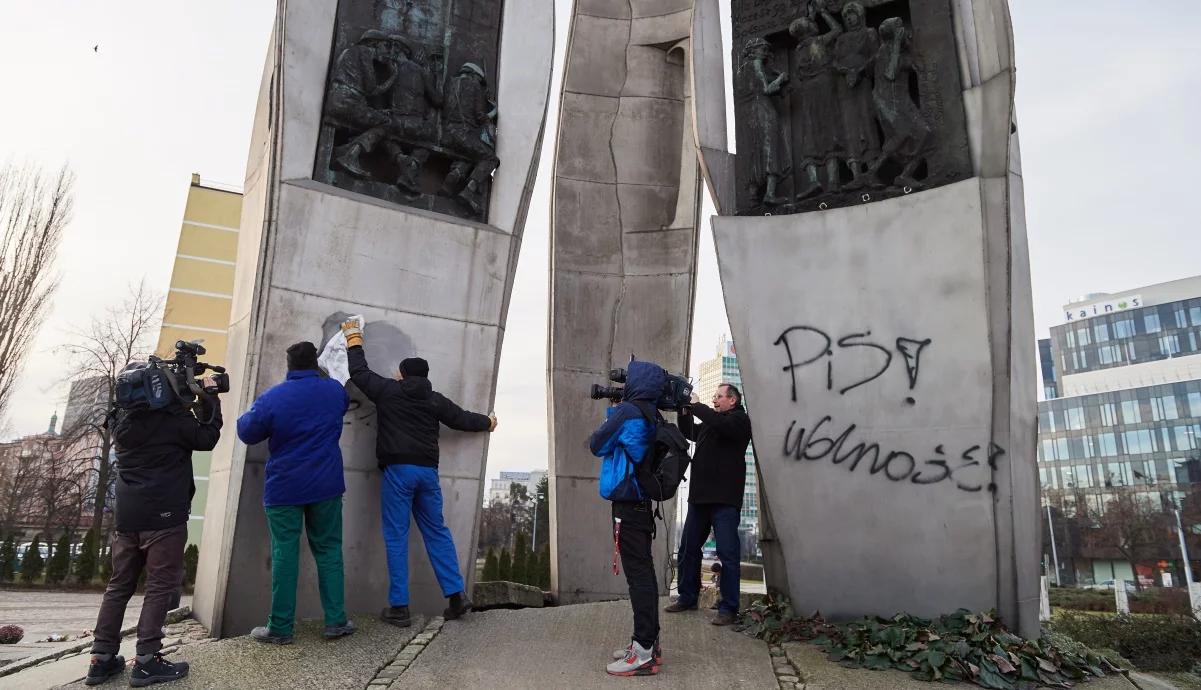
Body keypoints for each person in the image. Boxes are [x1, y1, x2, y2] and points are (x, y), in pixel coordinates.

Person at [340, 319, 496, 627]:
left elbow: (358, 373)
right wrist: (488, 422)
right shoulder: (434, 399)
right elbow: (462, 418)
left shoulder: (388, 391)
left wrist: (353, 338)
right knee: (437, 532)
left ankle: (399, 606)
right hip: (427, 474)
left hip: (399, 472)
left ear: (401, 374)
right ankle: (456, 596)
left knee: (396, 535)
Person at [85, 372, 222, 687]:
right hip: (164, 517)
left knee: (119, 586)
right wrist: (210, 397)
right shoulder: (172, 421)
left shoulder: (122, 423)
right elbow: (208, 437)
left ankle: (101, 658)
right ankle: (147, 660)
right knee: (160, 586)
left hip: (127, 518)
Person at [236, 341, 356, 645]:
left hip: (284, 489)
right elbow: (343, 401)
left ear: (289, 365)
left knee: (285, 555)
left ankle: (280, 628)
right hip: (326, 486)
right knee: (329, 551)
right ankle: (336, 622)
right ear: (315, 362)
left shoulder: (274, 397)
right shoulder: (334, 392)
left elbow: (247, 432)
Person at [589, 361, 666, 677]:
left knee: (639, 578)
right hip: (641, 504)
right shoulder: (652, 413)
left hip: (628, 504)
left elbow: (597, 444)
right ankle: (647, 644)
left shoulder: (628, 412)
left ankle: (643, 652)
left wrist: (613, 411)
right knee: (643, 574)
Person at [665, 383, 752, 626]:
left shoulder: (739, 421)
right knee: (687, 549)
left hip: (724, 499)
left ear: (732, 400)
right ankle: (687, 596)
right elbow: (691, 431)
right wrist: (684, 410)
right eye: (713, 397)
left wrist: (697, 405)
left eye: (719, 396)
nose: (715, 400)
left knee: (728, 553)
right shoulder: (712, 424)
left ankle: (729, 608)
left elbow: (718, 423)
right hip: (700, 498)